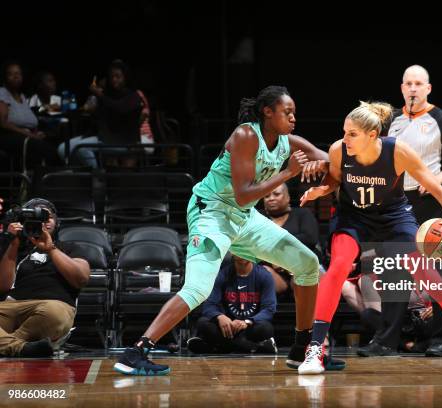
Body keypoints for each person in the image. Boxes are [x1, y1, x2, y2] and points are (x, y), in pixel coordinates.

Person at [113, 85, 328, 376]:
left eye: (294, 114)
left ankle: (301, 349)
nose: (293, 119)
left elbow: (329, 159)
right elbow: (243, 194)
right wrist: (288, 173)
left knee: (307, 263)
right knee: (198, 289)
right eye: (287, 112)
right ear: (268, 112)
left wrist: (344, 164)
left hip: (243, 217)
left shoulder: (289, 142)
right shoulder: (245, 135)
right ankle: (136, 351)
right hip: (211, 212)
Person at [297, 101, 442, 374]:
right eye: (344, 132)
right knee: (338, 266)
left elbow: (435, 187)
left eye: (352, 133)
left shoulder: (397, 151)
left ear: (372, 135)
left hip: (392, 217)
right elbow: (336, 181)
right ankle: (315, 349)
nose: (345, 138)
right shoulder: (339, 150)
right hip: (354, 218)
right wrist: (321, 191)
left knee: (426, 272)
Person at [383, 64, 442, 357]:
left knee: (439, 272)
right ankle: (386, 340)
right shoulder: (391, 119)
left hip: (429, 202)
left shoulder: (439, 118)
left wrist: (437, 180)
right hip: (395, 203)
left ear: (428, 89)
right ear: (402, 88)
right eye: (408, 84)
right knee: (394, 271)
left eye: (419, 83)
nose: (413, 89)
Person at [0, 198, 90, 357]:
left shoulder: (70, 248)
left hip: (53, 306)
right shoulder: (15, 249)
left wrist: (51, 249)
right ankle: (20, 348)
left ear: (56, 222)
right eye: (36, 219)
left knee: (54, 314)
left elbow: (81, 279)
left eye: (47, 217)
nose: (44, 222)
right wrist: (13, 243)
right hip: (14, 305)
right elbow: (3, 286)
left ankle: (9, 344)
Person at [57, 59, 143, 168]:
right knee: (62, 149)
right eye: (111, 77)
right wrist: (91, 109)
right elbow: (100, 116)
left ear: (125, 78)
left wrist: (100, 95)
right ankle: (82, 175)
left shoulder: (133, 96)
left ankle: (97, 177)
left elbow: (120, 108)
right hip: (103, 137)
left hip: (123, 141)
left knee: (82, 148)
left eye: (118, 76)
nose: (114, 80)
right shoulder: (108, 95)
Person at [187, 255, 277, 354]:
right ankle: (253, 347)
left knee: (266, 328)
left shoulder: (265, 275)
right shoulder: (221, 275)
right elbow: (209, 305)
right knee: (203, 323)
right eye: (239, 250)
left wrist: (247, 322)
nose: (242, 254)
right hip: (226, 328)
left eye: (246, 250)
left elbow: (269, 309)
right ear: (232, 253)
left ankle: (217, 347)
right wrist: (220, 316)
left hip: (249, 326)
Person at [262, 183, 321, 295]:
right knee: (260, 273)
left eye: (276, 194)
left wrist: (282, 258)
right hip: (272, 270)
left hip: (302, 266)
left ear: (288, 197)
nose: (271, 198)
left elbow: (309, 239)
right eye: (267, 196)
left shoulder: (302, 214)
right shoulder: (259, 218)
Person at [0, 60, 60, 171]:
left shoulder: (22, 96)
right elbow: (3, 123)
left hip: (27, 134)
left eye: (18, 74)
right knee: (46, 150)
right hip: (7, 136)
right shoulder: (2, 93)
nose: (16, 76)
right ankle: (45, 183)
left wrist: (36, 133)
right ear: (5, 77)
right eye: (11, 74)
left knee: (54, 142)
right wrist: (30, 135)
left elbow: (30, 120)